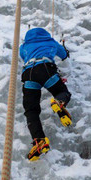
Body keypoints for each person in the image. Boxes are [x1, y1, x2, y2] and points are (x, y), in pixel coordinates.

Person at [19, 27, 72, 161]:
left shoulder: (24, 46)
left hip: (28, 73)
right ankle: (58, 102)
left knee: (31, 110)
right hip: (45, 69)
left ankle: (39, 140)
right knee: (62, 92)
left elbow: (24, 58)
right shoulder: (51, 42)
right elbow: (64, 56)